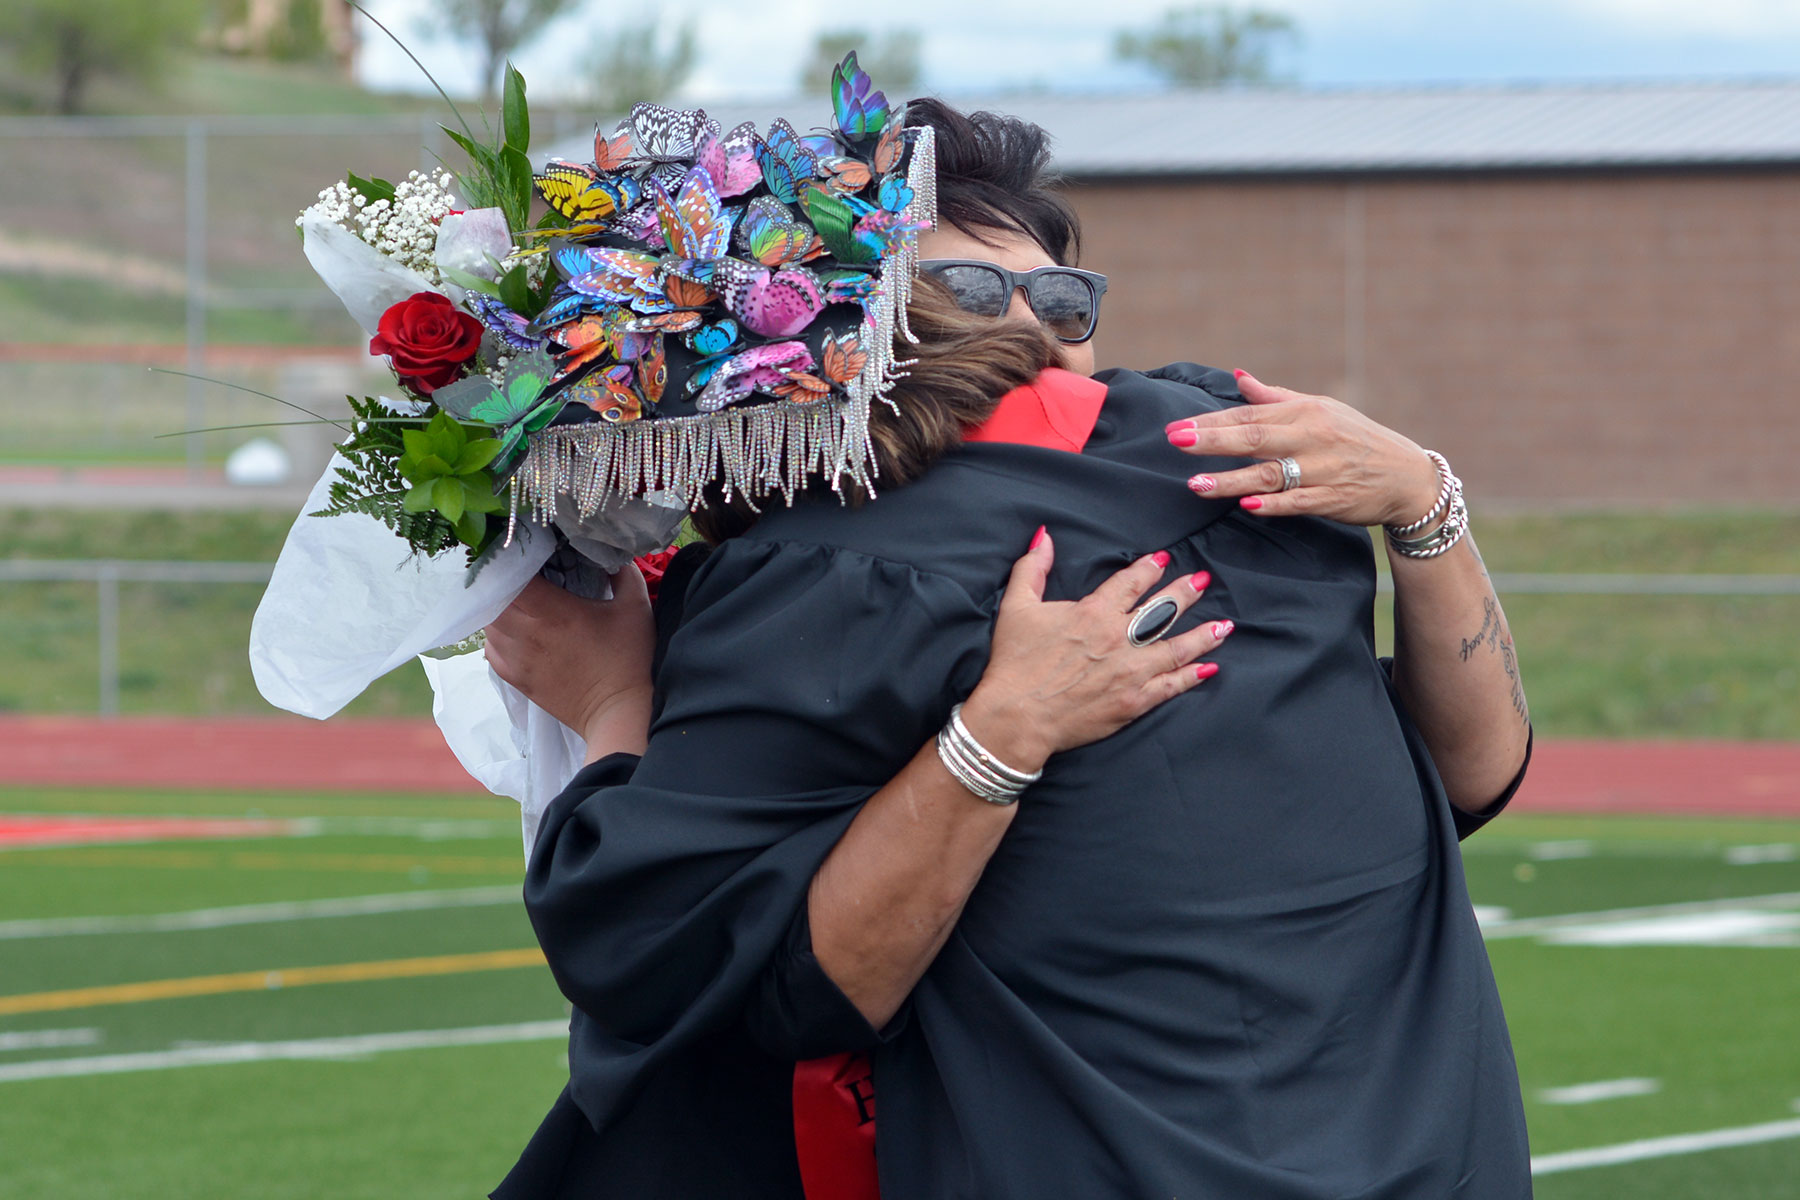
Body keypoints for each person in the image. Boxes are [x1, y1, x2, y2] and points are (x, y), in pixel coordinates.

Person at [483, 98, 1533, 1199]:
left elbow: (681, 960)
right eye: (976, 291)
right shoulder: (1214, 480)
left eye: (1064, 298)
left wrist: (613, 699)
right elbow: (1480, 775)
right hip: (1433, 1158)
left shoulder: (869, 568)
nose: (1033, 326)